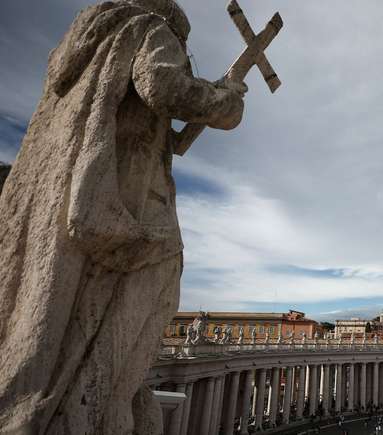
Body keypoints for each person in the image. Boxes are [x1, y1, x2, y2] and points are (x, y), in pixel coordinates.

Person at [0, 1, 245, 433]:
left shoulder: (86, 42)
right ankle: (101, 401)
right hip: (131, 198)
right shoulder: (151, 26)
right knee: (161, 278)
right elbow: (162, 84)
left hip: (80, 190)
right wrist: (225, 101)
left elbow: (151, 119)